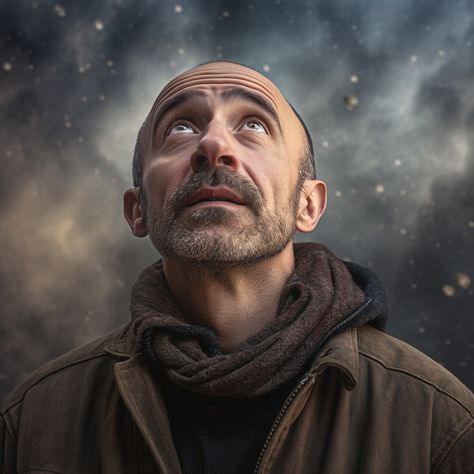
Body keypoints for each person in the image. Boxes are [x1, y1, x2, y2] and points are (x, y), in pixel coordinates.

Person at [1, 60, 473, 474]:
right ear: (137, 209)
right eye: (180, 128)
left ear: (307, 205)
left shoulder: (440, 422)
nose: (212, 145)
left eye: (254, 126)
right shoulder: (34, 418)